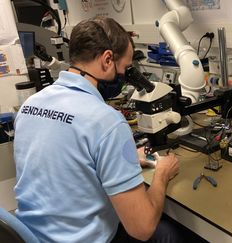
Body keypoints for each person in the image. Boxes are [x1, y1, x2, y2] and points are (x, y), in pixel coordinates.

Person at [13, 17, 182, 242]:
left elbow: (67, 165)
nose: (125, 78)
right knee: (168, 234)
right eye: (126, 68)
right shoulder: (106, 122)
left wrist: (124, 161)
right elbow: (142, 228)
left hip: (33, 236)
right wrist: (162, 174)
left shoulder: (30, 105)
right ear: (107, 60)